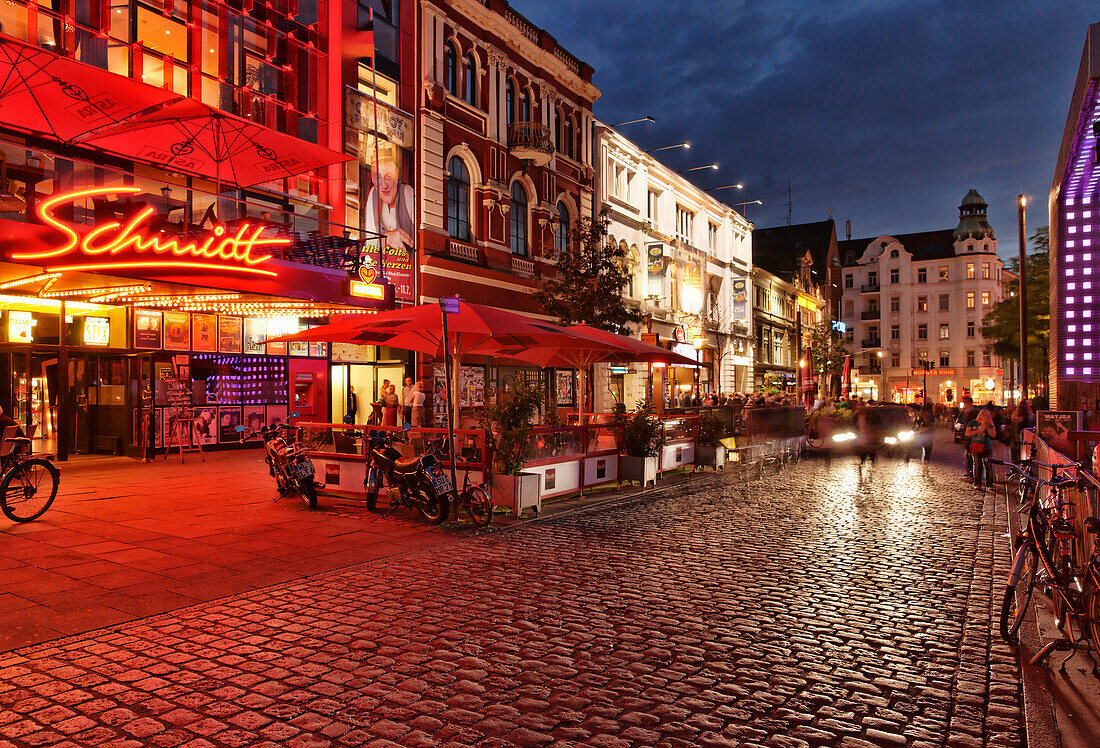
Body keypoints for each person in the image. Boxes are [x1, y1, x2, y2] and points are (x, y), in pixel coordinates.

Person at [364, 144, 414, 255]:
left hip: (408, 268)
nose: (384, 185)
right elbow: (369, 244)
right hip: (383, 267)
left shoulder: (407, 192)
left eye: (388, 176)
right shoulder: (373, 195)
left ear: (396, 175)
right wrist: (385, 239)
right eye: (378, 177)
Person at [966, 409, 997, 490]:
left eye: (985, 416)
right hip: (976, 446)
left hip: (986, 447)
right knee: (977, 465)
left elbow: (993, 434)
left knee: (988, 466)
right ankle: (977, 483)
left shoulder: (990, 425)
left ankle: (989, 484)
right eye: (981, 415)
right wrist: (977, 431)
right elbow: (967, 433)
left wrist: (986, 427)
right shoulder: (973, 423)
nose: (982, 417)